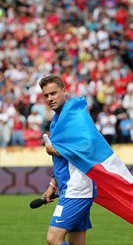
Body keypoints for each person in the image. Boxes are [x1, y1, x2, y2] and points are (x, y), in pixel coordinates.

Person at [40, 75, 95, 245]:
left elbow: (87, 147)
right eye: (46, 96)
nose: (50, 99)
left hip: (77, 188)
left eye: (53, 93)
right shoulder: (57, 120)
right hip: (70, 187)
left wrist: (55, 150)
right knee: (77, 242)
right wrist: (53, 184)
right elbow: (62, 162)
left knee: (53, 239)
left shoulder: (76, 117)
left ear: (64, 91)